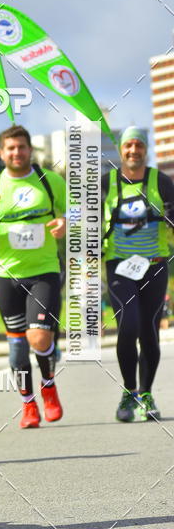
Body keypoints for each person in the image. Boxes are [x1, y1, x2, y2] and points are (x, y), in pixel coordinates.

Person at [0, 126, 66, 428]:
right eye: (10, 148)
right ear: (1, 153)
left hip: (44, 271)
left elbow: (79, 214)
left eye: (21, 147)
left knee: (38, 338)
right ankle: (28, 405)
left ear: (29, 150)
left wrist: (65, 222)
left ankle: (48, 386)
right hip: (5, 274)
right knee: (16, 348)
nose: (16, 153)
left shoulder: (50, 182)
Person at [102, 127, 174, 422]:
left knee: (149, 331)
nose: (134, 150)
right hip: (119, 266)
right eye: (128, 145)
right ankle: (129, 391)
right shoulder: (106, 183)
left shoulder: (162, 181)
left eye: (139, 145)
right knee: (128, 324)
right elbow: (86, 221)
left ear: (146, 149)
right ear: (121, 150)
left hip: (155, 264)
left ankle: (145, 393)